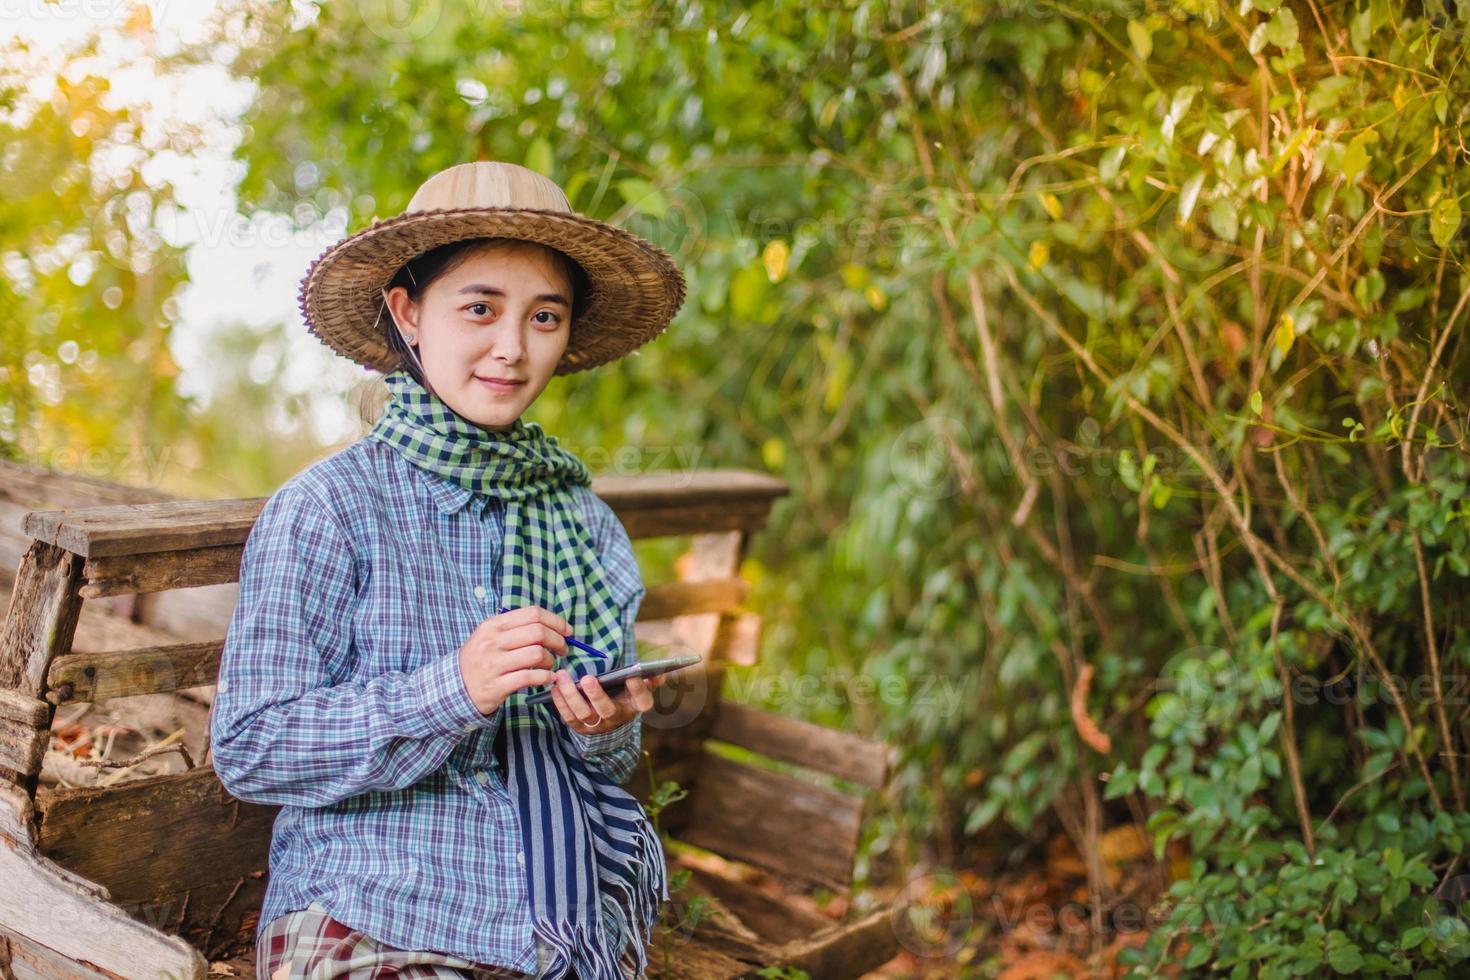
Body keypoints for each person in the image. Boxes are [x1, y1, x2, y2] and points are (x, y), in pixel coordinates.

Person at [208, 160, 688, 980]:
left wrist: (602, 726)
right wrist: (454, 690)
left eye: (545, 316)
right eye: (479, 308)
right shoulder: (332, 508)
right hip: (371, 911)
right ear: (409, 313)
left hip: (558, 925)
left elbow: (604, 765)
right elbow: (252, 747)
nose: (512, 348)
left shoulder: (584, 525)